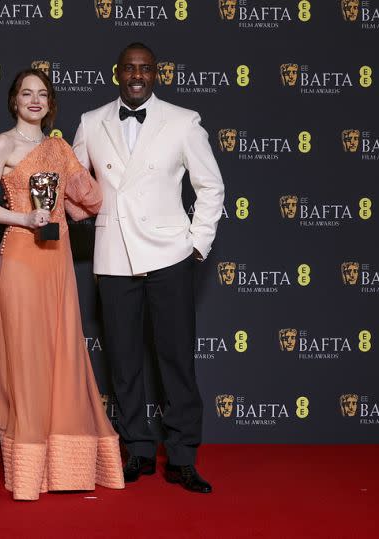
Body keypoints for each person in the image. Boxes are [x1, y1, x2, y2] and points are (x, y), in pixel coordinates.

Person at [72, 43, 225, 494]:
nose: (137, 75)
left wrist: (196, 244)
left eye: (145, 68)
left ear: (156, 74)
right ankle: (137, 448)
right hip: (114, 255)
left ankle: (181, 456)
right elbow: (77, 186)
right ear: (117, 73)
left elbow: (210, 186)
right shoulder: (91, 121)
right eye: (130, 68)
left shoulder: (182, 120)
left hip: (168, 255)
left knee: (176, 358)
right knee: (122, 361)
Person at [0, 68, 125, 501]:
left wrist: (83, 171)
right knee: (26, 358)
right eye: (27, 93)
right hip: (20, 256)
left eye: (42, 94)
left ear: (50, 103)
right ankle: (28, 473)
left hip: (55, 259)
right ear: (14, 100)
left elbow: (88, 202)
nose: (34, 100)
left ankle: (64, 468)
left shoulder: (58, 148)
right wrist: (24, 217)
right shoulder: (2, 145)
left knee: (63, 353)